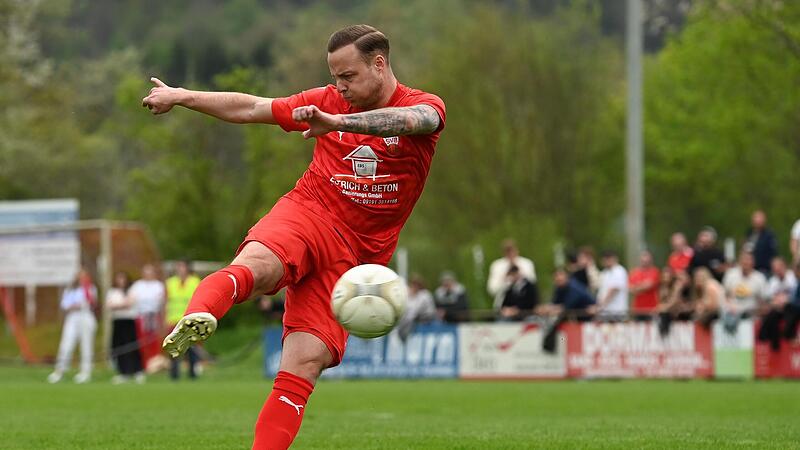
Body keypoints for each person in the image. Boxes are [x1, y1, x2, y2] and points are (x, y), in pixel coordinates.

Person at [143, 25, 445, 448]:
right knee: (257, 268)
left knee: (303, 363)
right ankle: (202, 312)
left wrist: (337, 121)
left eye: (349, 77)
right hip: (308, 212)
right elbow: (252, 108)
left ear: (380, 64)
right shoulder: (325, 101)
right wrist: (182, 96)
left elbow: (415, 121)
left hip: (355, 259)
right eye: (335, 77)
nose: (340, 87)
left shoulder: (422, 106)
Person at [47, 268, 98, 384]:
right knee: (66, 344)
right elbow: (65, 304)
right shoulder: (71, 289)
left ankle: (86, 372)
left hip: (86, 316)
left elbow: (91, 302)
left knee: (86, 345)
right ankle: (60, 371)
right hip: (72, 317)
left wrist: (79, 303)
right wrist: (73, 305)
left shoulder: (90, 288)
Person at [540, 267, 595, 353]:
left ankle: (550, 346)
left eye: (560, 275)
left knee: (557, 323)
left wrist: (549, 309)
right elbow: (555, 304)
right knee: (555, 326)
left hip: (588, 319)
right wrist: (548, 308)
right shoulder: (560, 287)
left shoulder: (574, 287)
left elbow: (567, 306)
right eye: (556, 276)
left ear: (567, 276)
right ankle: (550, 345)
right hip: (573, 319)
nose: (558, 278)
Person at [165, 260, 202, 380]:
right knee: (174, 348)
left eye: (182, 266)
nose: (180, 269)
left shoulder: (195, 281)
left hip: (190, 319)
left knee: (192, 348)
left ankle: (192, 373)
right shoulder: (170, 282)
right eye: (178, 266)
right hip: (173, 319)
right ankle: (174, 374)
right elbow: (166, 301)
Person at [106, 271, 145, 384]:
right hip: (118, 321)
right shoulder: (112, 291)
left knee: (132, 346)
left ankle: (137, 371)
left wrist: (119, 305)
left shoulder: (132, 290)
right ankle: (123, 372)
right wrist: (122, 305)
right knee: (119, 346)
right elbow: (110, 305)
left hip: (129, 321)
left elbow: (130, 303)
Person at [128, 263, 166, 374]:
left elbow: (160, 302)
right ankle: (144, 365)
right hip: (142, 316)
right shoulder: (138, 285)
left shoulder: (158, 285)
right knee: (142, 342)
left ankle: (155, 365)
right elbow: (132, 299)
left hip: (154, 316)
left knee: (154, 342)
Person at [757, 257, 798, 350]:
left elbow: (795, 296)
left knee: (790, 309)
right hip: (778, 309)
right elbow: (769, 299)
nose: (777, 270)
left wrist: (786, 300)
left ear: (784, 266)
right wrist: (776, 303)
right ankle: (768, 340)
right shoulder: (772, 281)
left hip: (792, 308)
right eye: (774, 268)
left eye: (779, 267)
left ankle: (788, 335)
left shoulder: (793, 277)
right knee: (772, 315)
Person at [487, 239, 536, 309]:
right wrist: (506, 280)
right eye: (507, 251)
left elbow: (533, 285)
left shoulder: (527, 264)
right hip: (504, 307)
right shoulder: (497, 266)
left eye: (512, 250)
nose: (510, 253)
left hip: (525, 307)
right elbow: (492, 290)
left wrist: (520, 277)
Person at [722, 251, 767, 322]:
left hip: (752, 315)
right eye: (743, 259)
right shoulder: (730, 274)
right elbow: (724, 295)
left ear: (753, 262)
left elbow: (763, 301)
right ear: (739, 261)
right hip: (731, 313)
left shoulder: (759, 278)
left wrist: (758, 311)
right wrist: (729, 307)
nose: (745, 262)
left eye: (748, 260)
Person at [395, 275, 436, 340]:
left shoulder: (424, 295)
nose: (414, 287)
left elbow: (418, 310)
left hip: (424, 317)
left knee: (409, 321)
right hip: (411, 318)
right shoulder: (408, 295)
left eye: (416, 285)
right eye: (413, 285)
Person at [656, 267, 692, 336]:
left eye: (668, 276)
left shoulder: (677, 285)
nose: (666, 278)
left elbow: (674, 300)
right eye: (664, 277)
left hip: (677, 309)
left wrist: (664, 307)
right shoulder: (662, 287)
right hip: (670, 309)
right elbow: (661, 301)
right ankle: (663, 331)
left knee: (665, 312)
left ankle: (664, 331)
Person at [594, 250, 628, 321]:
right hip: (605, 312)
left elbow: (614, 290)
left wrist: (600, 306)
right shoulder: (604, 273)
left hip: (616, 312)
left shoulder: (619, 271)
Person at [628, 250, 661, 320]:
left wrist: (637, 286)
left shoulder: (655, 271)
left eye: (647, 257)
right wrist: (643, 285)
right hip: (637, 310)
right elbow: (630, 289)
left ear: (651, 259)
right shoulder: (634, 272)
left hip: (651, 309)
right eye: (643, 257)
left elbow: (649, 285)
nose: (645, 260)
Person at [745, 210, 778, 276]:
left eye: (760, 219)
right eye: (756, 218)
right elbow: (746, 248)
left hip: (764, 270)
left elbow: (774, 253)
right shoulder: (749, 233)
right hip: (750, 270)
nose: (757, 221)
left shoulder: (769, 235)